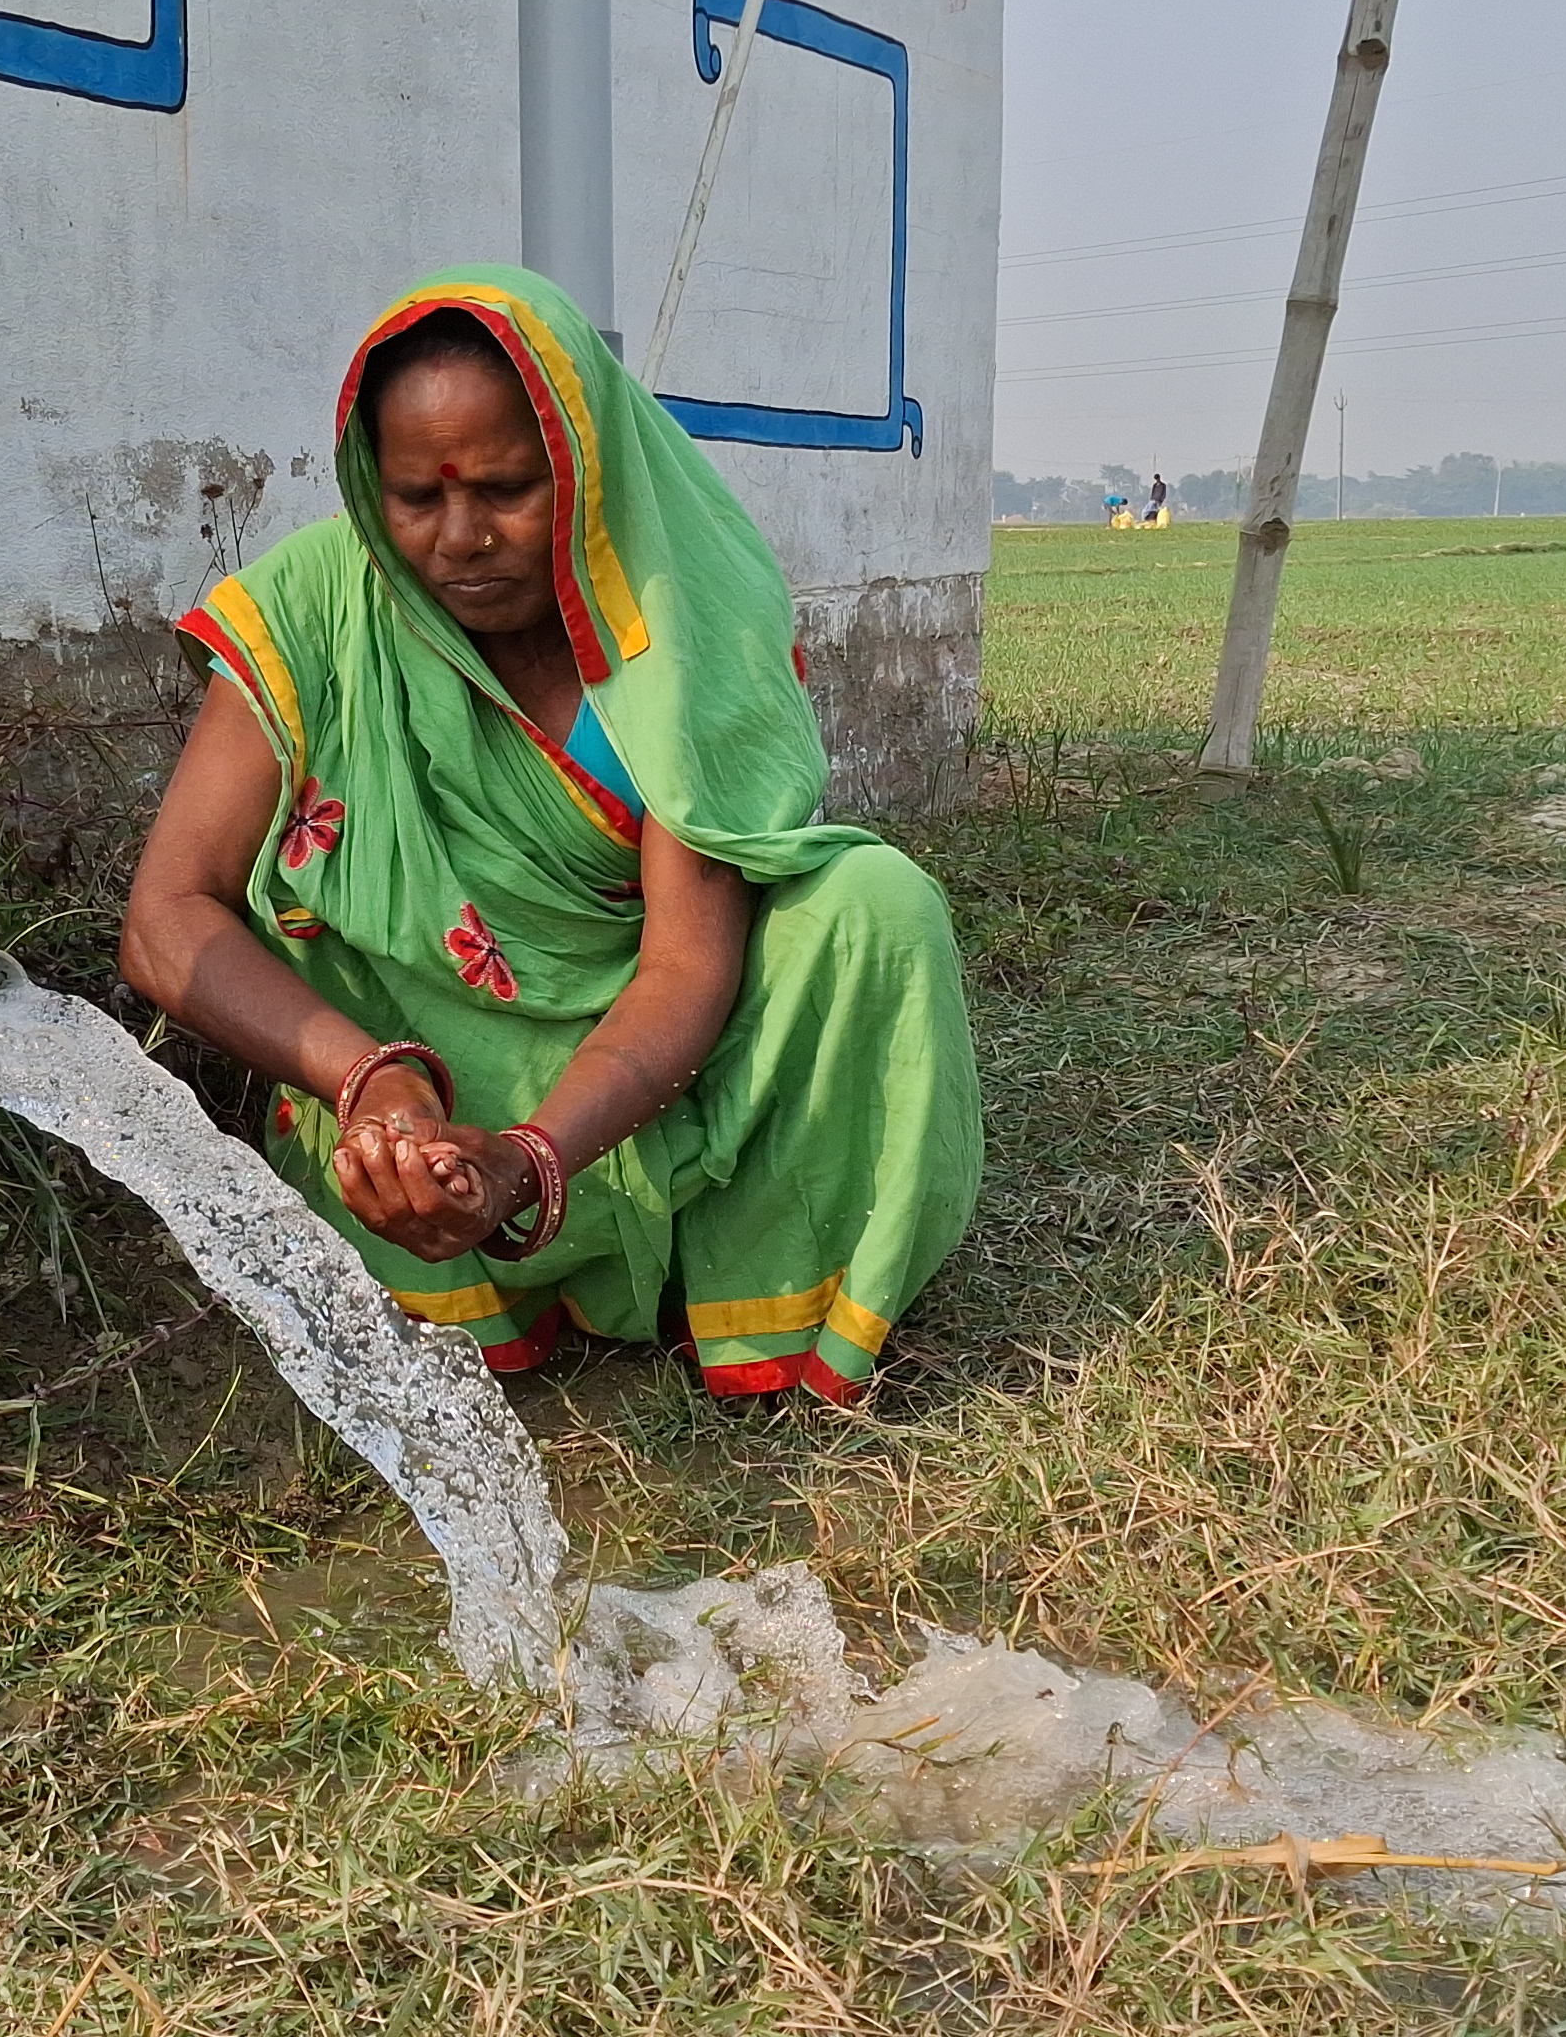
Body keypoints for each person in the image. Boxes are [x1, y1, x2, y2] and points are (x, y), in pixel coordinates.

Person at [123, 267, 984, 1406]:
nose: (464, 537)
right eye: (416, 498)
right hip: (429, 1078)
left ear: (584, 464)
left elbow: (685, 963)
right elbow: (165, 918)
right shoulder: (311, 613)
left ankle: (740, 1278)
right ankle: (467, 1253)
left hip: (654, 1059)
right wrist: (374, 1083)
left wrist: (529, 1157)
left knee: (875, 908)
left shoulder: (681, 619)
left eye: (508, 488)